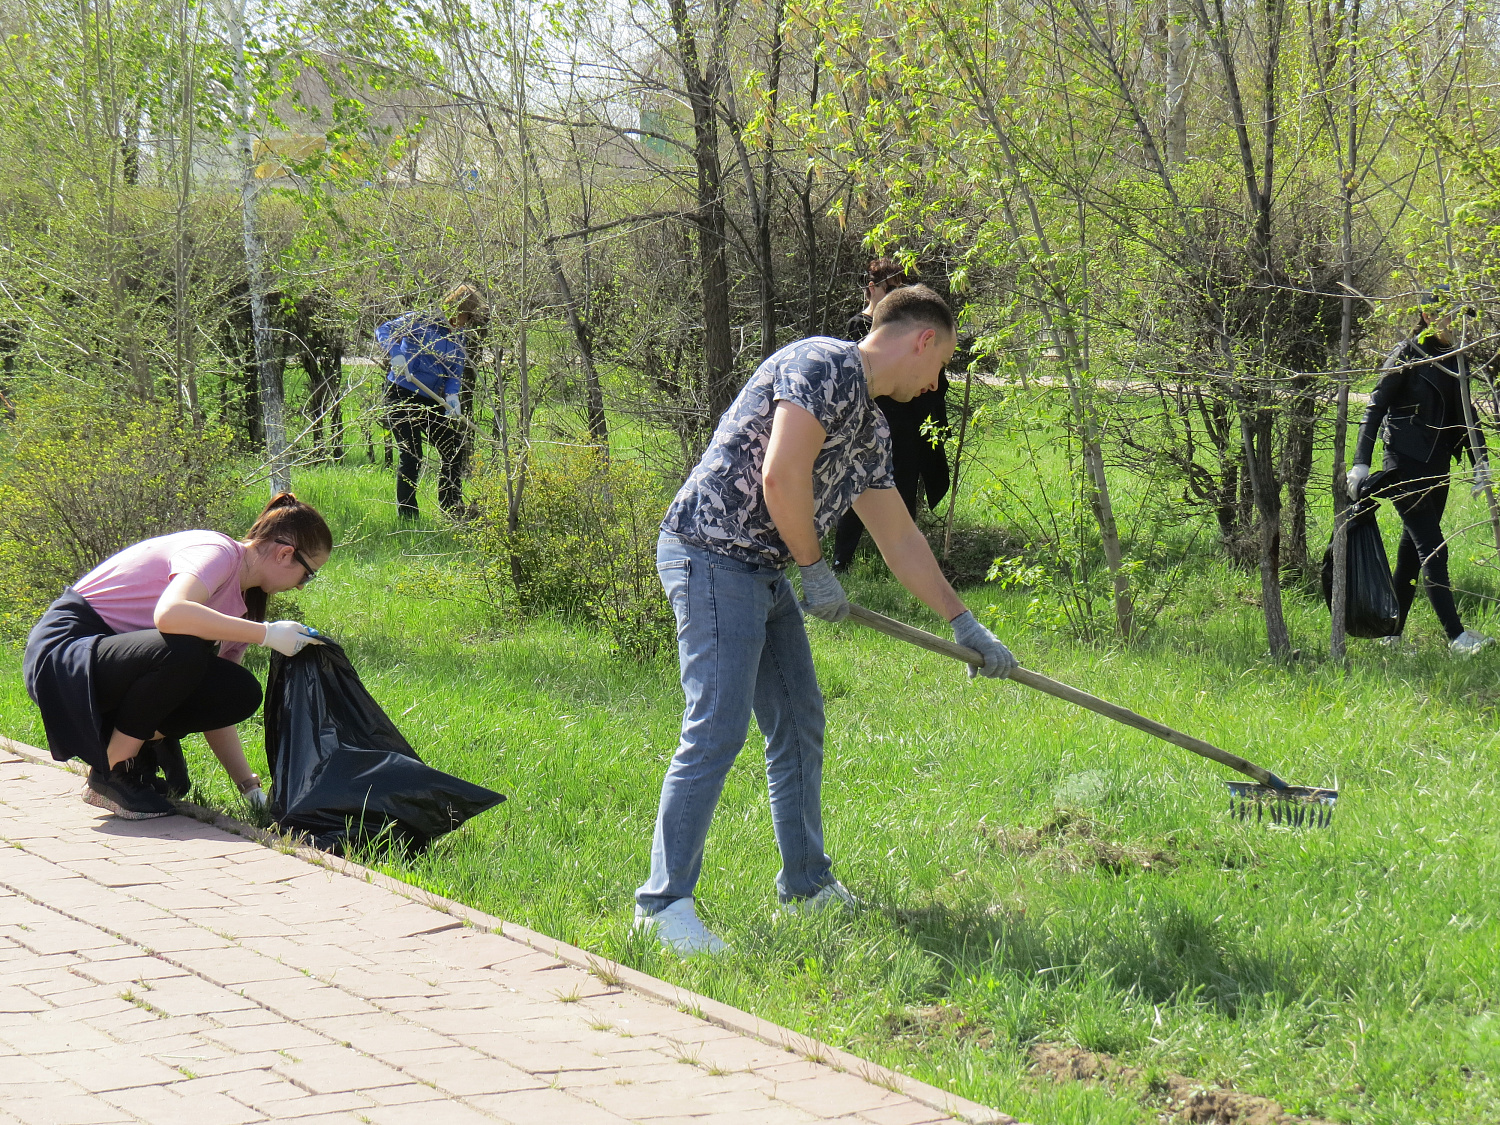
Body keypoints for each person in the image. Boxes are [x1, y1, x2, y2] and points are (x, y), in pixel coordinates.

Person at [637, 285, 1018, 955]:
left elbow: (898, 535)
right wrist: (815, 569)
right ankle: (662, 907)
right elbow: (782, 477)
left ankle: (807, 887)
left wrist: (964, 621)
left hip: (760, 566)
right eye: (941, 366)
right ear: (922, 339)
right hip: (710, 553)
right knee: (717, 726)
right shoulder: (821, 365)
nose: (936, 384)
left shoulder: (869, 427)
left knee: (799, 720)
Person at [23, 494, 332, 820]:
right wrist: (267, 634)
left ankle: (125, 758)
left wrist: (250, 788)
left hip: (109, 663)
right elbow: (170, 614)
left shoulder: (240, 605)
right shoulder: (217, 551)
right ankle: (112, 770)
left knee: (237, 690)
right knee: (186, 650)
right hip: (65, 654)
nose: (301, 587)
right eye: (308, 574)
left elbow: (217, 707)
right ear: (286, 554)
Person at [1348, 292, 1494, 655]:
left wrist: (1482, 464)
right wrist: (1361, 462)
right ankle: (1456, 637)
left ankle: (1391, 635)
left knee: (1412, 555)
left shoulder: (1454, 359)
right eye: (1450, 316)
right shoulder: (1406, 355)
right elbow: (1375, 407)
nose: (1458, 324)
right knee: (1433, 549)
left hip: (1437, 466)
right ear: (1428, 315)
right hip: (1404, 465)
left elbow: (1466, 414)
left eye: (1462, 318)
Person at [832, 259, 950, 571]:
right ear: (872, 288)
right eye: (890, 288)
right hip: (873, 422)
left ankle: (902, 566)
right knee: (856, 489)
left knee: (904, 489)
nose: (895, 294)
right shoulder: (859, 329)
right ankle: (841, 560)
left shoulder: (915, 333)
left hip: (906, 426)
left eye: (900, 288)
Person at [376, 283, 488, 518]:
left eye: (468, 319)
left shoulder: (458, 338)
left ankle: (451, 508)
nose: (465, 322)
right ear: (454, 308)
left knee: (454, 447)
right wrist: (396, 354)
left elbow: (454, 372)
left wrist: (452, 396)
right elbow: (384, 330)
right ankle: (407, 515)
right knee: (412, 453)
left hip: (431, 399)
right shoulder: (421, 320)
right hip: (401, 392)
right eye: (465, 316)